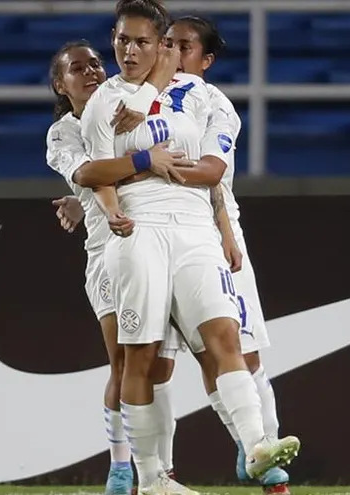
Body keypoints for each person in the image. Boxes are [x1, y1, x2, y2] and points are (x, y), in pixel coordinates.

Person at [54, 15, 293, 495]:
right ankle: (144, 475)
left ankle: (257, 447)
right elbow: (95, 173)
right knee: (139, 358)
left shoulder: (203, 98)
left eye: (144, 41)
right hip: (133, 233)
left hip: (197, 228)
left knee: (226, 338)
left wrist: (223, 228)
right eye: (123, 40)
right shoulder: (103, 104)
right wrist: (137, 172)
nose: (129, 51)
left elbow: (213, 173)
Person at [44, 39, 193, 495]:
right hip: (109, 250)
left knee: (160, 366)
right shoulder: (63, 133)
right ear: (59, 83)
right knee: (124, 360)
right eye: (77, 68)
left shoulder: (126, 103)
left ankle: (160, 471)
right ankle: (121, 469)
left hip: (158, 242)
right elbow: (91, 173)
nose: (91, 72)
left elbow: (167, 62)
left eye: (95, 64)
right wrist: (145, 161)